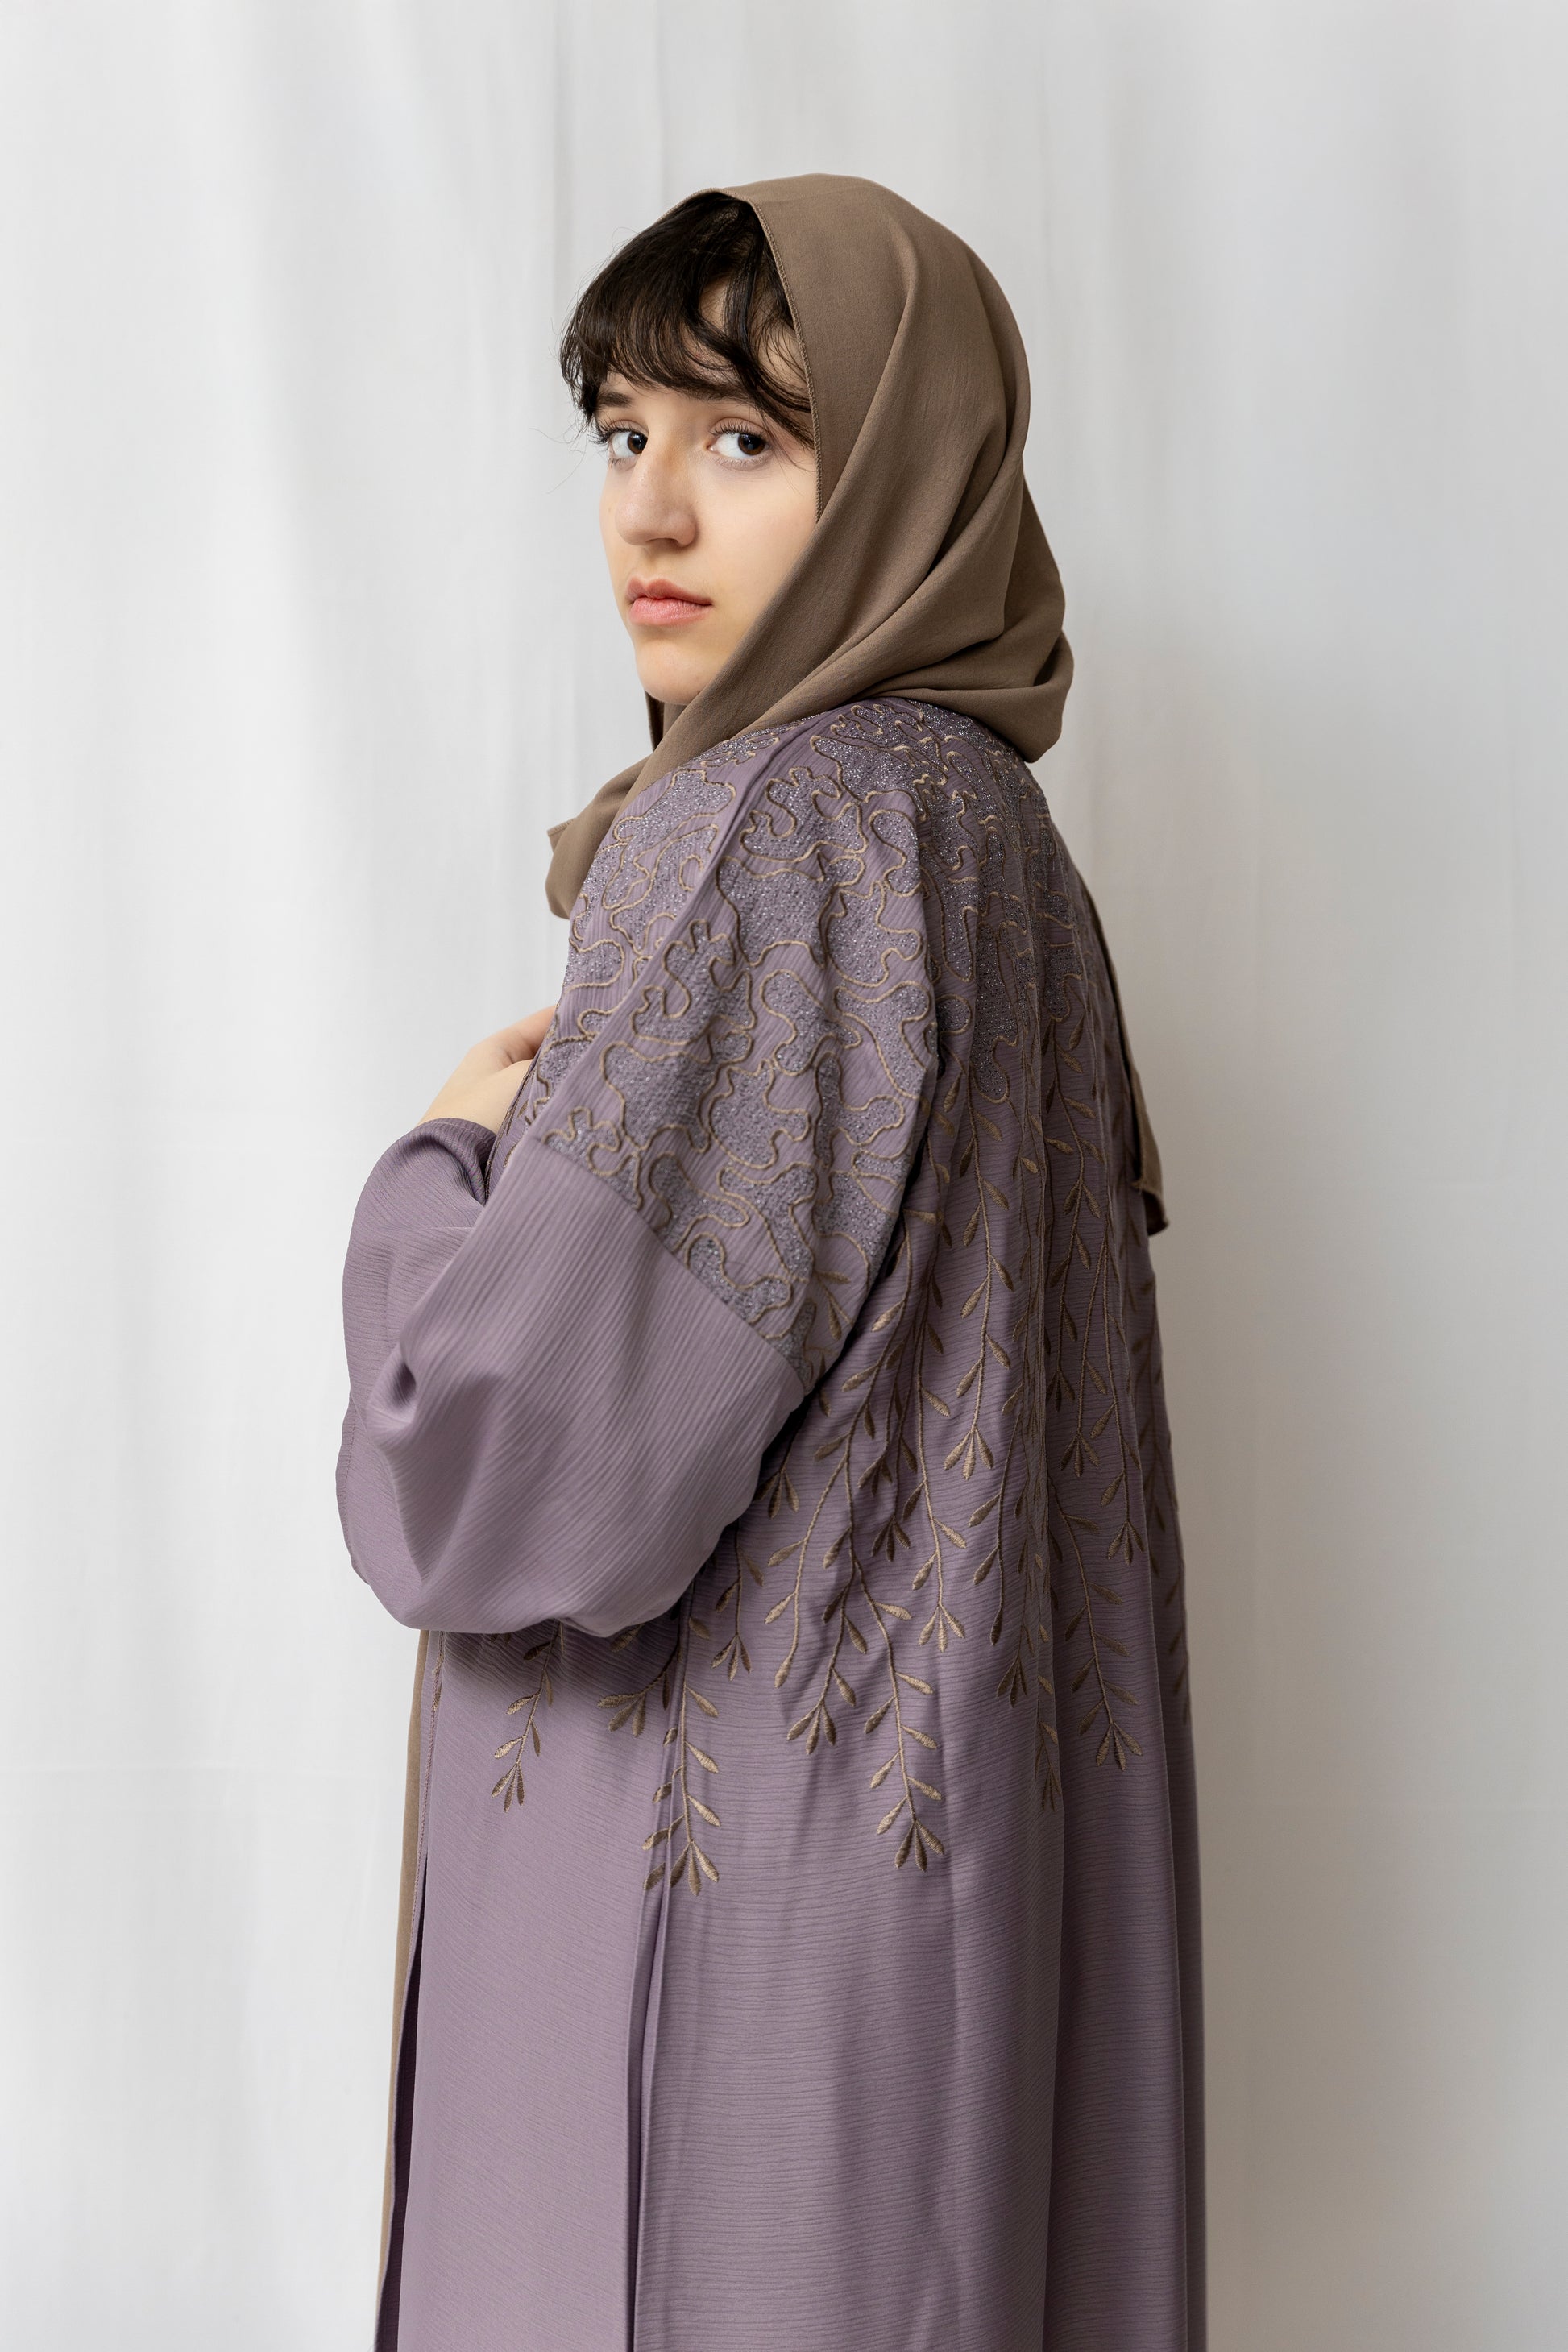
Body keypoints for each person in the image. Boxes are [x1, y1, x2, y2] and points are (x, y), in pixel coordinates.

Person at [337, 173, 1203, 2352]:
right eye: (623, 433)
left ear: (907, 463)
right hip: (939, 1937)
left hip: (731, 1967)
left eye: (744, 439)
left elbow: (508, 1485)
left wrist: (439, 1170)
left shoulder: (775, 824)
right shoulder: (994, 835)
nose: (653, 509)